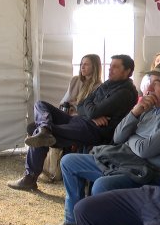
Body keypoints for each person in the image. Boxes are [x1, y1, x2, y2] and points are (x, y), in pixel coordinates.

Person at [43, 58, 160, 225]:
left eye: (157, 83)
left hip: (145, 171)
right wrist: (135, 113)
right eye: (150, 83)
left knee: (102, 185)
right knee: (69, 161)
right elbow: (118, 137)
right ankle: (72, 222)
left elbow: (144, 150)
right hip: (123, 160)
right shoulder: (149, 110)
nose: (149, 89)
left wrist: (131, 137)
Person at [8, 55, 138, 191]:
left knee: (37, 131)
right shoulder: (108, 84)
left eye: (115, 67)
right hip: (81, 121)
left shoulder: (125, 92)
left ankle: (29, 178)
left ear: (127, 71)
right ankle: (45, 128)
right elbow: (82, 104)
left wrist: (91, 112)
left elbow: (91, 109)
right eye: (110, 66)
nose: (110, 69)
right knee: (40, 105)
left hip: (94, 130)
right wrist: (91, 112)